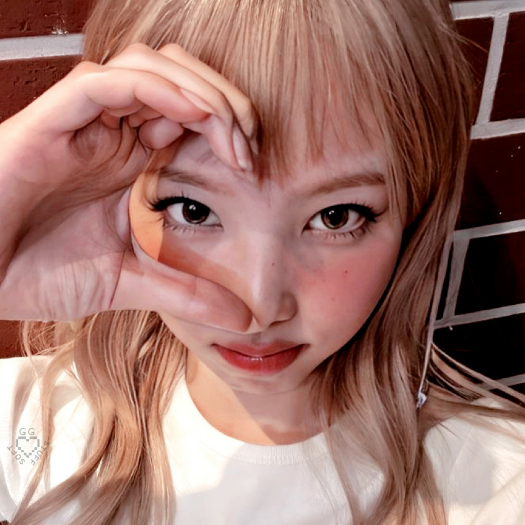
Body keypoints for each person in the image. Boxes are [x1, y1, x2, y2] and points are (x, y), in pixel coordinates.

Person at [0, 0, 524, 524]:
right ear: (118, 193)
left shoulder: (499, 486)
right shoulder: (36, 426)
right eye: (193, 210)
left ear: (416, 213)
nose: (259, 306)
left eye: (336, 217)